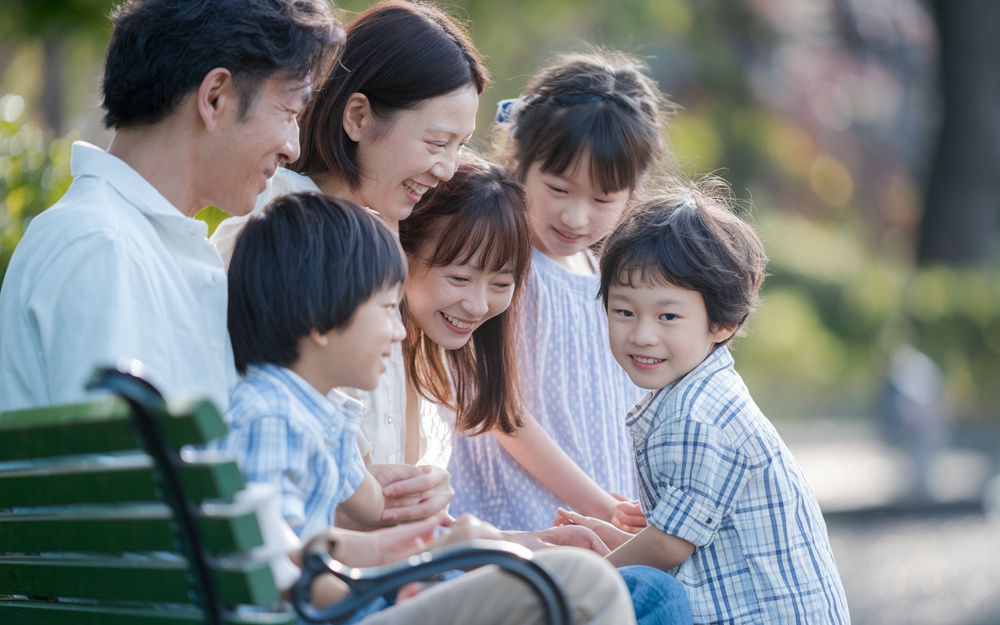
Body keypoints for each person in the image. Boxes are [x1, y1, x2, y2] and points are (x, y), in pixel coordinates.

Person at [214, 190, 638, 625]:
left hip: (357, 600)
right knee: (584, 584)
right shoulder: (272, 420)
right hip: (330, 612)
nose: (399, 332)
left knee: (601, 581)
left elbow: (379, 513)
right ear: (319, 322)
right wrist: (414, 568)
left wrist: (485, 540)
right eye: (385, 310)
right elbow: (276, 576)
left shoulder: (325, 416)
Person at [209, 0, 490, 524]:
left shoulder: (378, 233)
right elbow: (268, 473)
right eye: (436, 142)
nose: (449, 169)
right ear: (358, 116)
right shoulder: (280, 236)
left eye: (461, 146)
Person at [0, 0, 342, 412]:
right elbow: (122, 471)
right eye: (289, 112)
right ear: (215, 97)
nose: (293, 146)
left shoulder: (141, 242)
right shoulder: (100, 245)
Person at [398, 153, 693, 625]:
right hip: (399, 585)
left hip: (436, 566)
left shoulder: (446, 354)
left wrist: (531, 540)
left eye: (500, 283)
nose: (477, 303)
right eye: (459, 277)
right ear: (403, 250)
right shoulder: (379, 357)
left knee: (651, 587)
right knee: (654, 593)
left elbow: (433, 531)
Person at [554, 178, 850, 624]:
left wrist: (585, 578)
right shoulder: (701, 391)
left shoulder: (696, 416)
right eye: (624, 311)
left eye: (668, 315)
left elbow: (669, 545)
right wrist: (616, 541)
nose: (642, 334)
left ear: (722, 322)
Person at [447, 49, 674, 532]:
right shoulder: (504, 266)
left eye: (602, 199)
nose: (576, 217)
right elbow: (498, 409)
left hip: (602, 492)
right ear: (521, 162)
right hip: (530, 504)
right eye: (558, 188)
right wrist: (599, 505)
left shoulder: (600, 270)